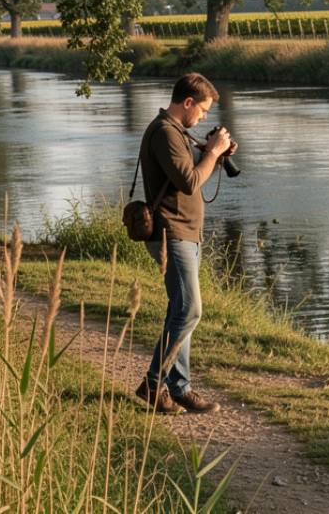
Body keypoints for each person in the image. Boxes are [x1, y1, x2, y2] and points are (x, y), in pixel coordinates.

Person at [134, 72, 236, 415]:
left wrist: (212, 153)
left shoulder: (178, 133)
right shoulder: (165, 132)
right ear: (187, 102)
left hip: (186, 233)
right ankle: (154, 383)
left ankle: (178, 388)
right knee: (190, 310)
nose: (204, 117)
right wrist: (213, 153)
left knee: (181, 311)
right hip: (171, 232)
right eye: (203, 110)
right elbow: (189, 181)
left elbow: (186, 174)